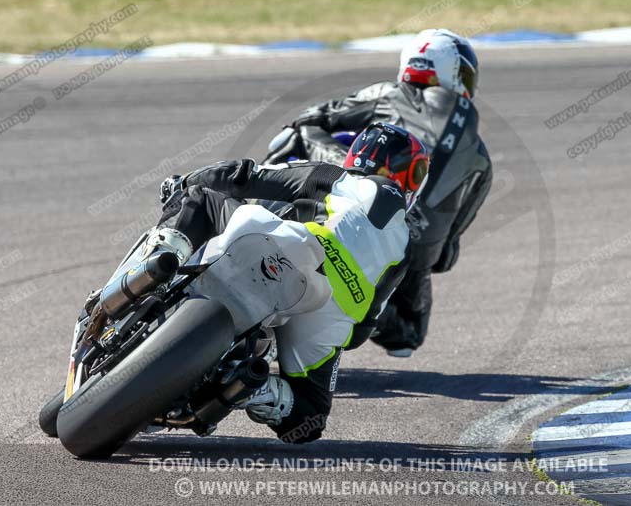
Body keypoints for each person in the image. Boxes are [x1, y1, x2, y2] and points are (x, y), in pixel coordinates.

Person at [155, 122, 429, 443]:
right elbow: (363, 328)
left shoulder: (335, 176)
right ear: (401, 175)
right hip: (329, 312)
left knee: (203, 198)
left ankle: (161, 261)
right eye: (417, 173)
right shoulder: (406, 246)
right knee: (310, 418)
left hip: (295, 248)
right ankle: (249, 387)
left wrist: (182, 182)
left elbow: (245, 176)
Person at [264, 29, 493, 357]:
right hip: (406, 256)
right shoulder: (482, 160)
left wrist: (327, 149)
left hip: (351, 204)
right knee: (407, 338)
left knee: (299, 132)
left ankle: (255, 202)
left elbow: (316, 116)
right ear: (453, 74)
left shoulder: (390, 93)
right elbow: (445, 256)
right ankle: (363, 305)